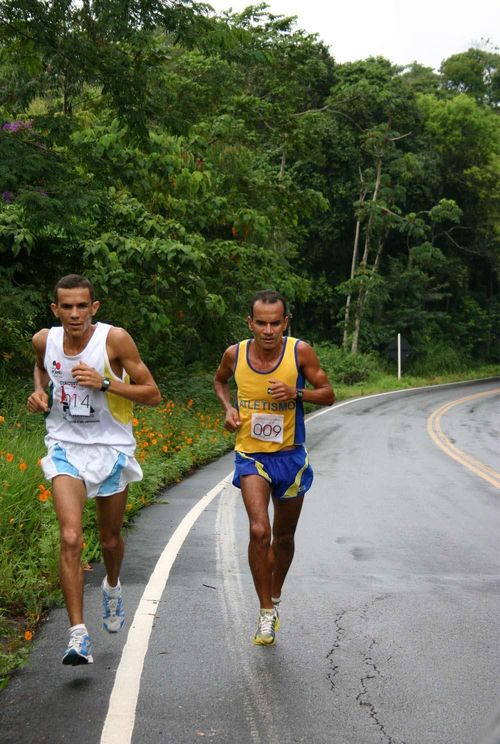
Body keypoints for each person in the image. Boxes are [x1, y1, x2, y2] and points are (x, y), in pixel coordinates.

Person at [27, 274, 161, 666]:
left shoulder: (114, 340)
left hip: (112, 448)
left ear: (94, 308)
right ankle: (78, 636)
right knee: (70, 537)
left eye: (81, 306)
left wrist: (105, 383)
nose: (74, 314)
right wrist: (38, 393)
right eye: (66, 307)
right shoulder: (44, 340)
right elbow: (40, 369)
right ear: (55, 310)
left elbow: (152, 394)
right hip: (66, 447)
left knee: (109, 540)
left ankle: (113, 585)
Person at [213, 289, 334, 645]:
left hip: (291, 457)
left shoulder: (300, 352)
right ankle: (265, 612)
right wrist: (228, 409)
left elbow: (327, 393)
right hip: (251, 455)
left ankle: (275, 596)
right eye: (261, 323)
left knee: (283, 538)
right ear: (250, 322)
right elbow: (219, 381)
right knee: (258, 530)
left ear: (286, 322)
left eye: (275, 323)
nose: (268, 330)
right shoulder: (235, 354)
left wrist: (296, 394)